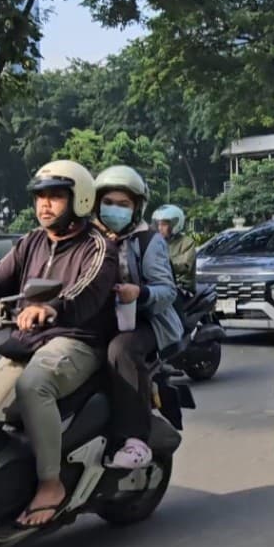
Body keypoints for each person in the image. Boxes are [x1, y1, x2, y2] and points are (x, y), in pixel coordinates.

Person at [0, 160, 117, 528]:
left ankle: (51, 484)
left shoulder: (97, 247)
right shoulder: (32, 242)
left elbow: (87, 291)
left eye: (55, 196)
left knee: (32, 386)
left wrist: (53, 307)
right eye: (40, 197)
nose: (45, 204)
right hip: (28, 343)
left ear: (79, 199)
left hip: (75, 340)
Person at [93, 166, 184, 471]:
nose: (114, 210)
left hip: (146, 321)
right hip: (98, 319)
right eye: (108, 202)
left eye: (123, 204)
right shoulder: (89, 238)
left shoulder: (147, 241)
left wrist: (139, 293)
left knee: (121, 350)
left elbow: (167, 291)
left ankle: (135, 440)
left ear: (136, 208)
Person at [152, 204, 197, 293]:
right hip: (160, 285)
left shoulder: (187, 242)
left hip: (181, 287)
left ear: (175, 224)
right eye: (158, 224)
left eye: (164, 225)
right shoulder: (155, 242)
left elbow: (185, 266)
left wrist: (162, 263)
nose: (160, 228)